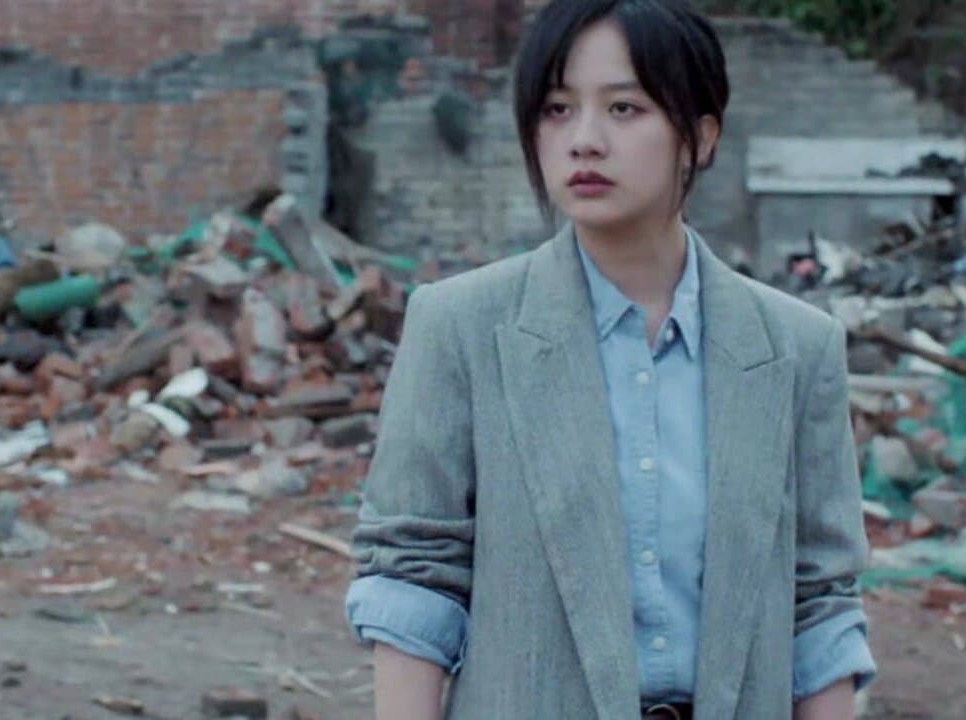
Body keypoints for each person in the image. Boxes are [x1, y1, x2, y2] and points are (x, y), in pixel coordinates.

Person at [344, 1, 877, 718]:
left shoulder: (796, 348)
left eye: (624, 108)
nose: (584, 141)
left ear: (701, 137)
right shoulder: (461, 327)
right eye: (557, 110)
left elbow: (820, 601)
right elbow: (414, 574)